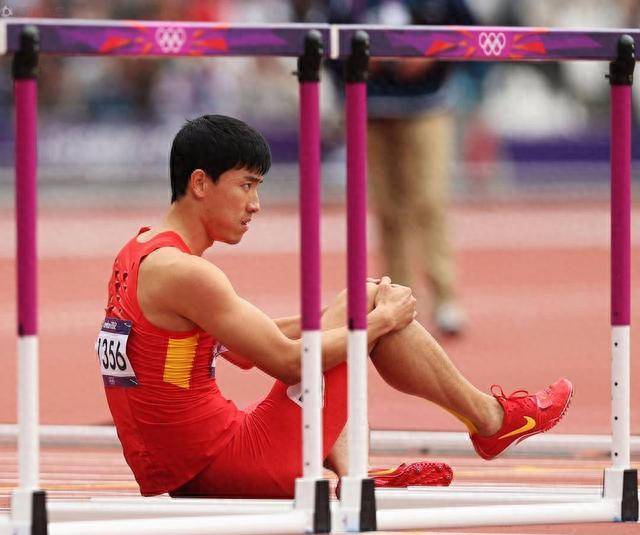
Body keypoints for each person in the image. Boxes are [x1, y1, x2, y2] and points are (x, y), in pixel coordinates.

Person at [97, 115, 573, 499]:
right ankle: (491, 421)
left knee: (356, 306)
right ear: (201, 183)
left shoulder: (140, 253)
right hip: (224, 464)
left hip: (190, 461)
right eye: (246, 185)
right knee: (364, 313)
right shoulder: (188, 274)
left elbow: (243, 346)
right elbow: (290, 362)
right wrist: (380, 321)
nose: (256, 204)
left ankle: (356, 470)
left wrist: (344, 314)